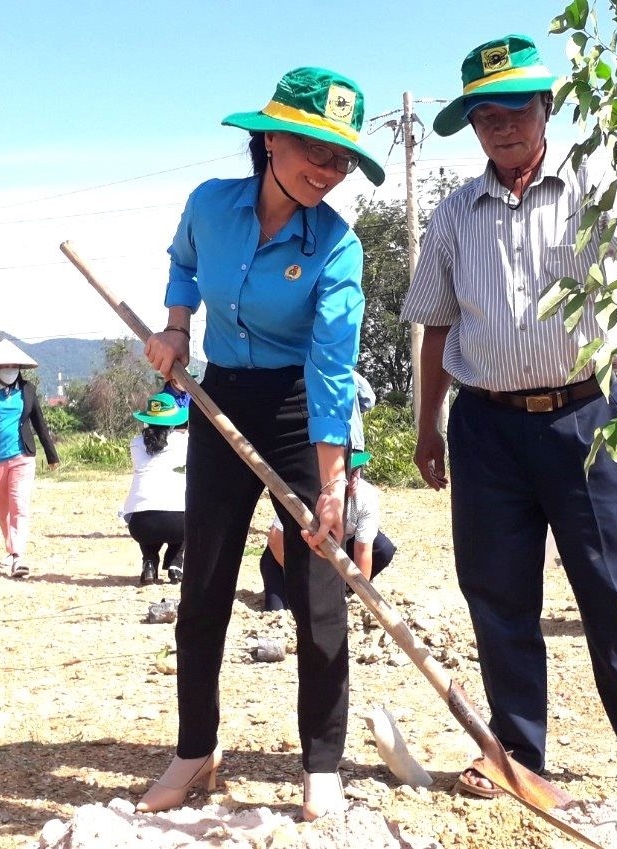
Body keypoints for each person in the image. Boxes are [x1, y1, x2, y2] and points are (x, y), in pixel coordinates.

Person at [402, 34, 617, 796]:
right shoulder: (454, 215)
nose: (501, 128)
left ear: (546, 108)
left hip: (588, 417)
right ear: (472, 126)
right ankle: (517, 750)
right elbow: (434, 323)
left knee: (616, 585)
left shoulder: (595, 186)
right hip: (487, 426)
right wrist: (428, 426)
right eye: (484, 116)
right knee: (497, 591)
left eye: (515, 110)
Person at [139, 66, 385, 820]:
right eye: (315, 148)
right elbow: (183, 263)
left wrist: (331, 481)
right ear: (271, 137)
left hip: (294, 408)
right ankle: (195, 750)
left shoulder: (337, 248)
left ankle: (320, 762)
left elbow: (332, 365)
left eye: (342, 159)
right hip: (219, 402)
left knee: (318, 585)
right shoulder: (210, 207)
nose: (328, 171)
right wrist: (178, 327)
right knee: (204, 581)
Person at [0, 339, 59, 579]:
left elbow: (39, 421)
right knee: (3, 509)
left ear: (19, 367)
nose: (9, 369)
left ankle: (18, 556)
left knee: (19, 505)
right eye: (3, 365)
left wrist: (51, 454)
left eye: (13, 365)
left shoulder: (27, 389)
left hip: (22, 456)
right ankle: (11, 548)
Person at [260, 450, 397, 611]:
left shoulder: (366, 496)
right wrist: (304, 581)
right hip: (290, 555)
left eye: (355, 471)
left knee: (382, 547)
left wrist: (361, 597)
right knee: (278, 610)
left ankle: (341, 590)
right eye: (347, 473)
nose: (353, 479)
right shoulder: (306, 490)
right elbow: (276, 540)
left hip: (336, 553)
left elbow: (363, 551)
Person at [121, 392, 189, 586]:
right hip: (178, 523)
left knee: (146, 511)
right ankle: (176, 564)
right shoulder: (184, 442)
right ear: (173, 421)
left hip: (140, 525)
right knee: (188, 517)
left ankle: (149, 562)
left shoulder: (135, 444)